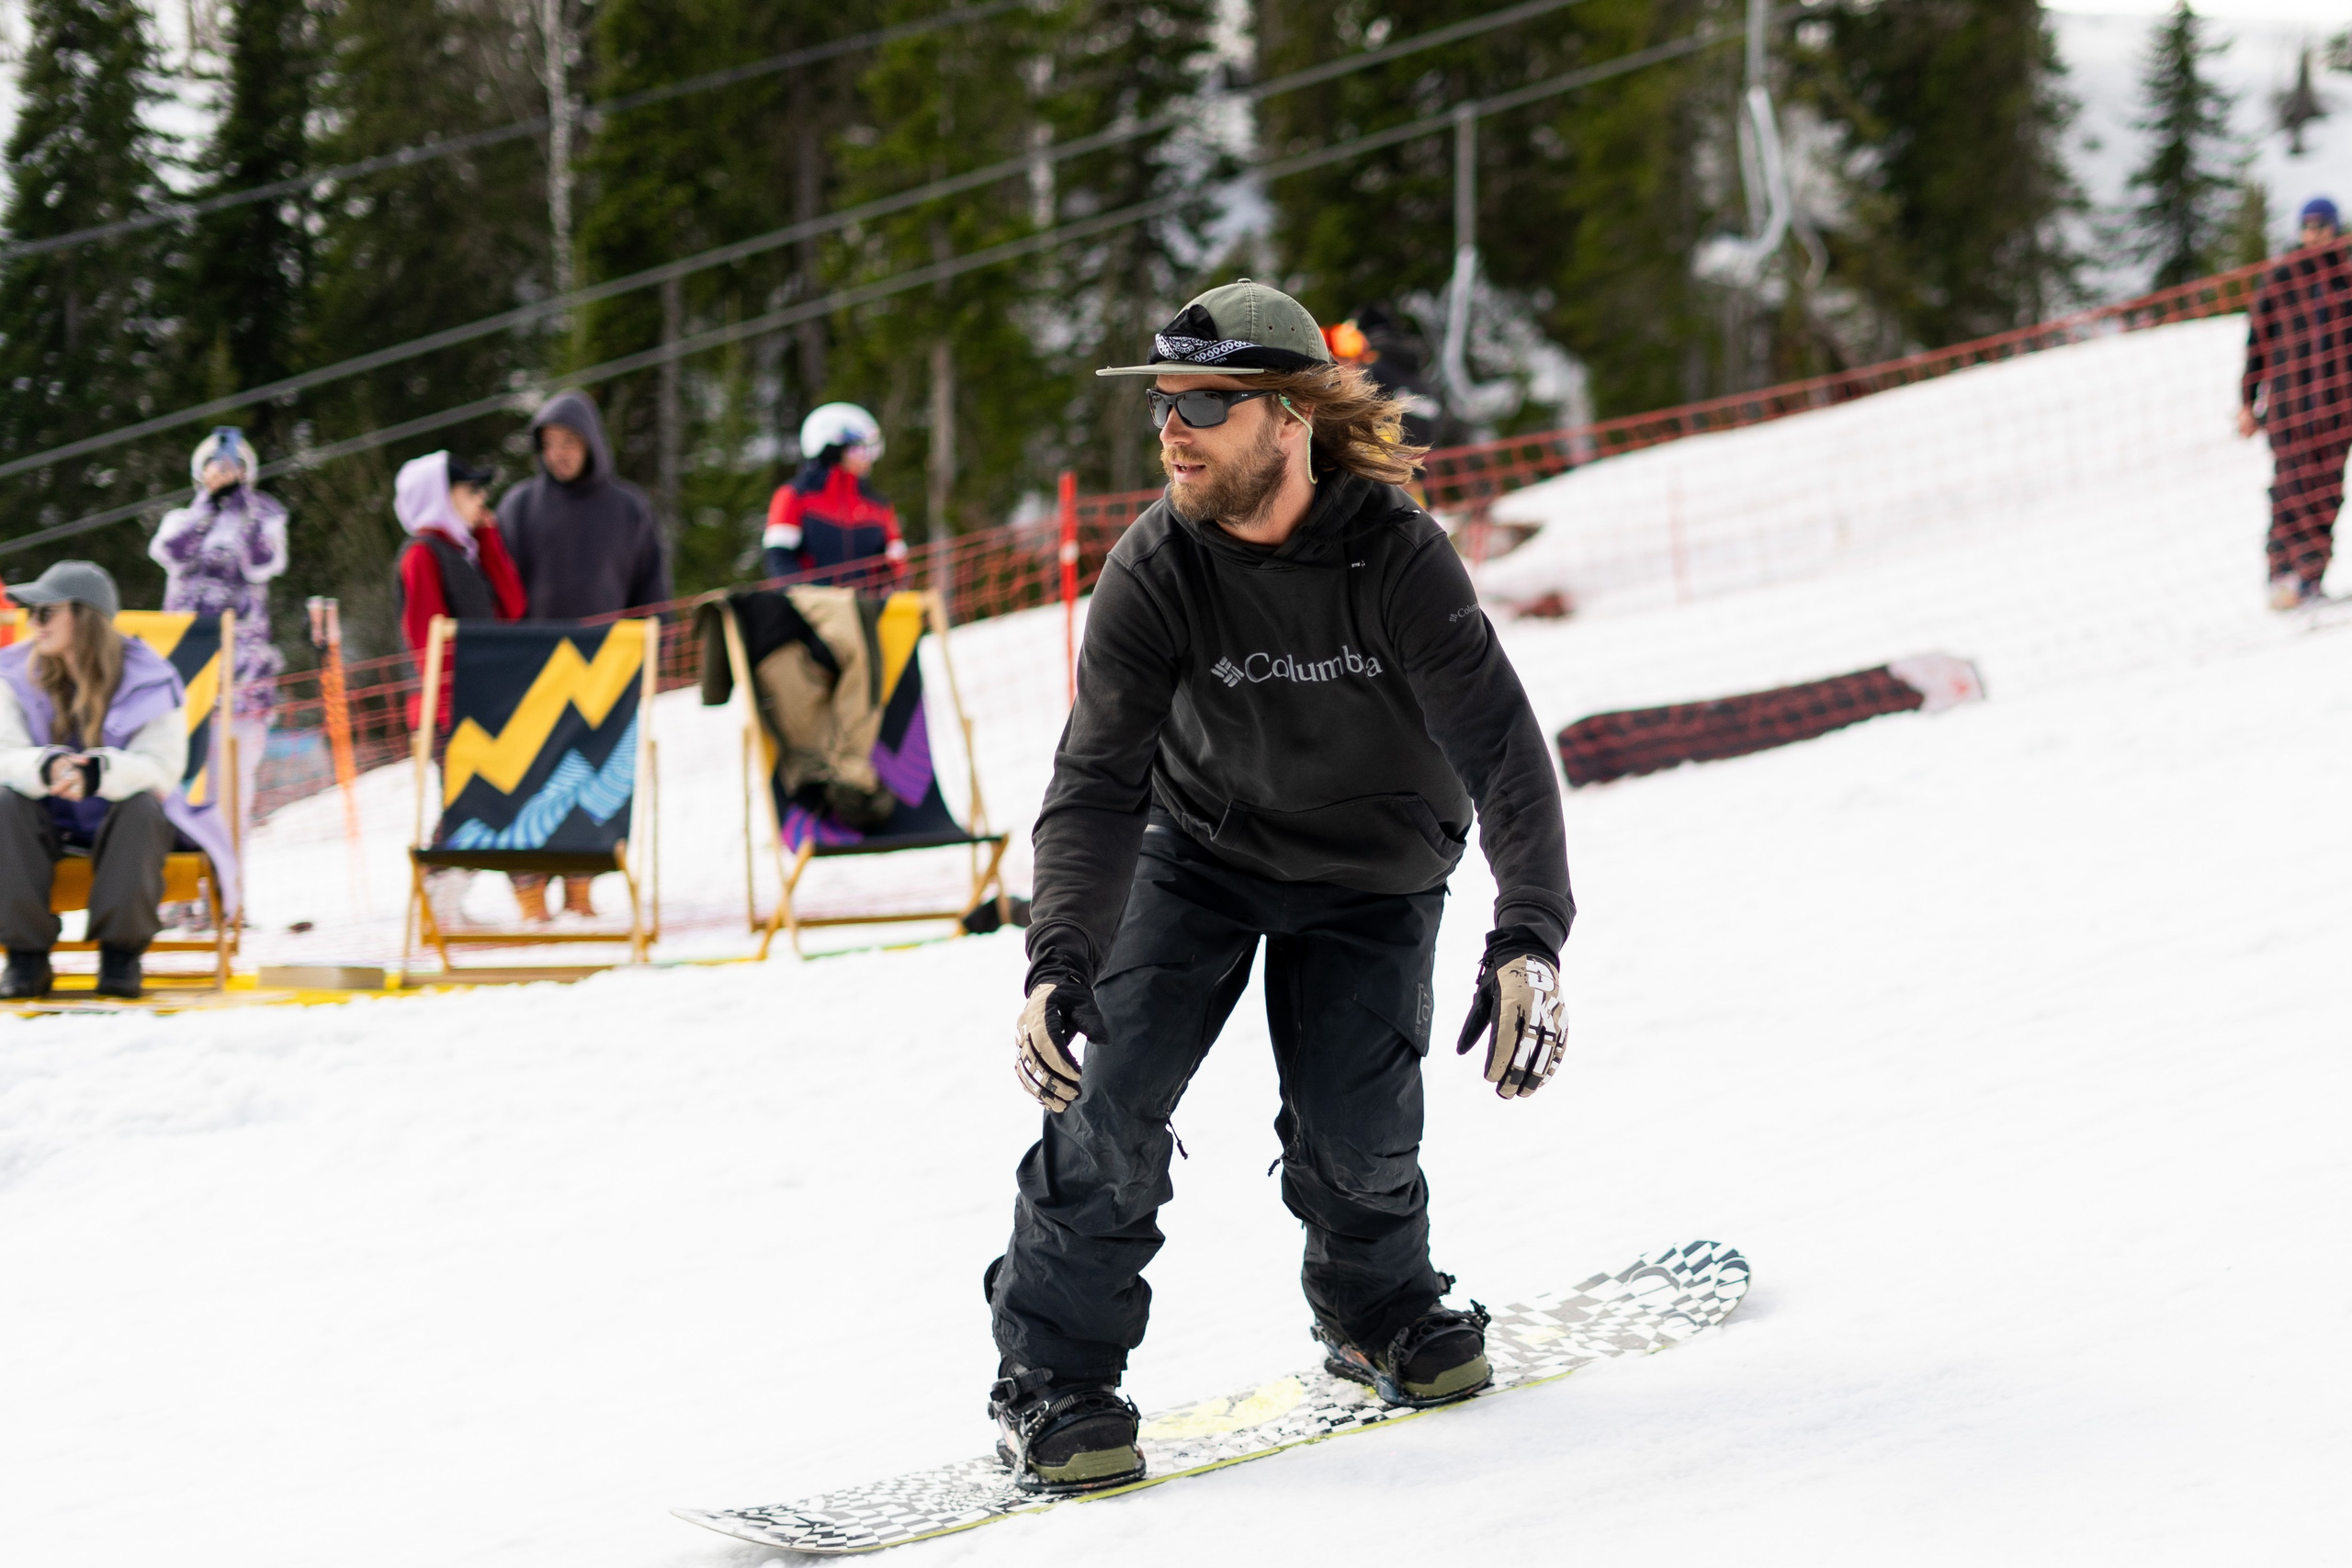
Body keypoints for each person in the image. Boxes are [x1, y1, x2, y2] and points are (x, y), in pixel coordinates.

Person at [983, 282, 1574, 1491]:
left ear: (1292, 415)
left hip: (1376, 874)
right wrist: (1058, 960)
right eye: (1163, 401)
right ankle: (1051, 1377)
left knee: (1362, 1137)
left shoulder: (1396, 553)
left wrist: (1529, 933)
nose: (1173, 427)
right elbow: (1096, 784)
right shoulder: (1153, 569)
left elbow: (1504, 746)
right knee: (1115, 1092)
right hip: (1202, 856)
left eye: (1207, 400)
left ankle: (1375, 1309)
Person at [0, 561, 231, 999]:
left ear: (84, 617)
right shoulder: (10, 673)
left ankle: (120, 956)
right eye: (31, 614)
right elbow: (3, 753)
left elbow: (162, 768)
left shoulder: (151, 677)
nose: (33, 624)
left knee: (142, 805)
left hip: (121, 822)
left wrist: (99, 773)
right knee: (3, 801)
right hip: (42, 820)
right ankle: (25, 958)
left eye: (45, 612)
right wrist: (46, 768)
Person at [497, 390, 668, 918]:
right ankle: (529, 894)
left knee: (592, 780)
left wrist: (649, 654)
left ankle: (581, 888)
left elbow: (651, 590)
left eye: (570, 442)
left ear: (591, 443)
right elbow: (499, 591)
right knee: (529, 780)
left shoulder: (629, 509)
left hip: (605, 674)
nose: (560, 454)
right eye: (549, 444)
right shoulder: (520, 506)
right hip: (533, 672)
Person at [394, 451, 529, 926]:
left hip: (483, 704)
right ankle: (437, 902)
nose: (481, 501)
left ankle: (443, 902)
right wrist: (456, 701)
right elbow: (425, 637)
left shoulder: (464, 552)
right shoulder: (421, 555)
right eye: (471, 492)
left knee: (478, 801)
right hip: (448, 708)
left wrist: (489, 539)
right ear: (438, 496)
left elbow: (512, 608)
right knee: (470, 803)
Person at [149, 426, 288, 840]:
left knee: (233, 792)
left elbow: (263, 562)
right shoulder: (182, 519)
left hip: (244, 681)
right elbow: (169, 552)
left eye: (233, 467)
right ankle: (181, 890)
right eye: (214, 466)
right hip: (188, 676)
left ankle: (228, 893)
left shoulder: (266, 516)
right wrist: (208, 509)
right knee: (179, 782)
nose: (223, 474)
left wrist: (241, 506)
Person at [2239, 197, 2352, 609]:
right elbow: (2257, 345)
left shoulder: (2347, 278)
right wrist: (2247, 402)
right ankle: (2281, 576)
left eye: (2323, 226)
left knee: (2326, 494)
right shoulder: (2281, 279)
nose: (2315, 234)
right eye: (2308, 226)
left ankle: (2311, 580)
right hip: (2289, 409)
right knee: (2289, 490)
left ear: (2337, 229)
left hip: (2339, 410)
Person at [762, 401, 908, 588]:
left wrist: (881, 599)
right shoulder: (794, 496)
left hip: (865, 611)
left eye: (873, 451)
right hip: (813, 609)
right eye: (861, 450)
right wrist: (811, 599)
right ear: (832, 450)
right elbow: (779, 560)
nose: (868, 460)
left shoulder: (879, 506)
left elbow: (897, 566)